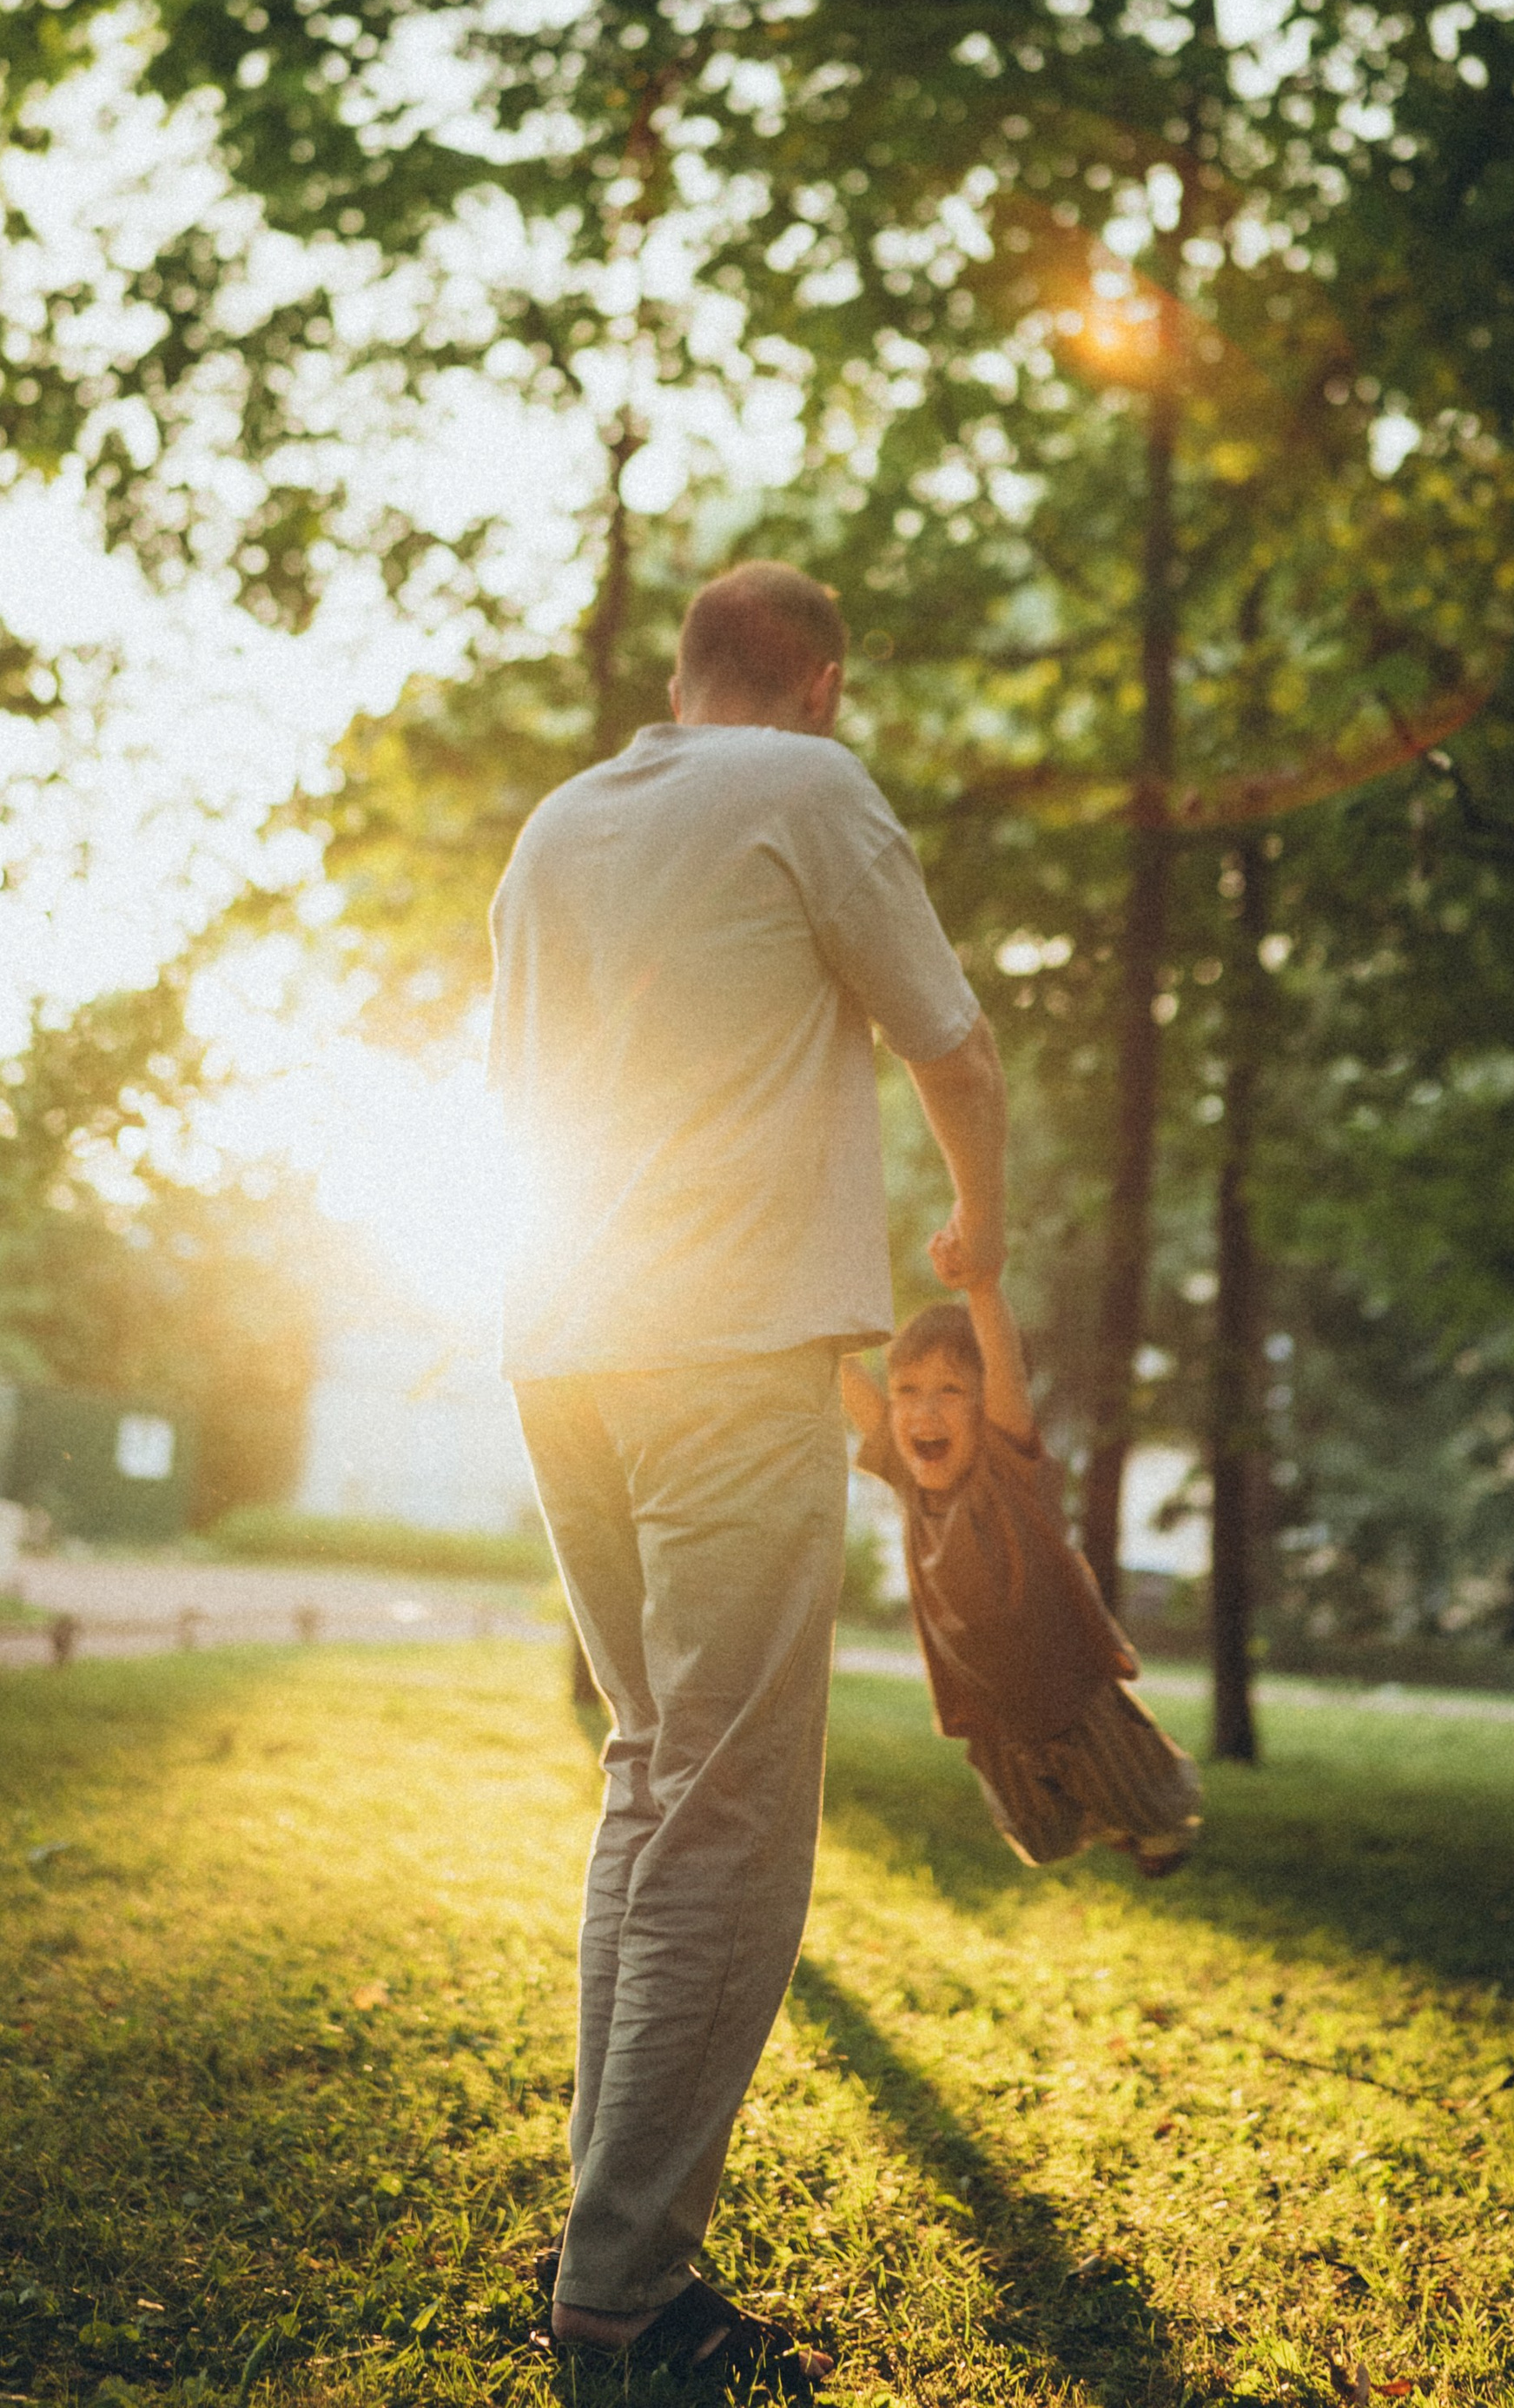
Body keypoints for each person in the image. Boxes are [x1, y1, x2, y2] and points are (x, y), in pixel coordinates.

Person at [488, 559, 1007, 2393]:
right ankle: (619, 2301)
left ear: (685, 669)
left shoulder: (558, 824)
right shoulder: (809, 787)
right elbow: (950, 1039)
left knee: (650, 1777)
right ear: (821, 685)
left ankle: (603, 2244)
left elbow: (515, 1102)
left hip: (561, 1351)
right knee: (731, 1816)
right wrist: (975, 1227)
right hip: (719, 1360)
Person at [843, 1287, 1202, 1875]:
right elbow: (849, 1377)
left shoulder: (1005, 1473)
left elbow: (1005, 1366)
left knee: (1150, 1807)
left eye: (950, 1391)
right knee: (1043, 1839)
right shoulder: (910, 1481)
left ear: (987, 1409)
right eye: (907, 1390)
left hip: (1073, 1691)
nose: (923, 1412)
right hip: (993, 1714)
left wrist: (982, 1287)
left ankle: (1161, 1828)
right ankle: (1099, 1819)